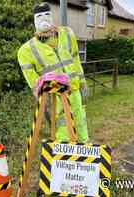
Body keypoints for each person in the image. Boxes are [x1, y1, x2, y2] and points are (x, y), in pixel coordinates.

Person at [17, 2, 89, 143]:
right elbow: (34, 82)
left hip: (74, 90)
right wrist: (42, 94)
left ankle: (84, 152)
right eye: (39, 16)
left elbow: (75, 60)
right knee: (62, 128)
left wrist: (82, 81)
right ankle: (64, 159)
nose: (44, 18)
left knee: (80, 121)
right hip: (55, 98)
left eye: (47, 14)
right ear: (34, 20)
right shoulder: (26, 50)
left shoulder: (67, 34)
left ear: (52, 16)